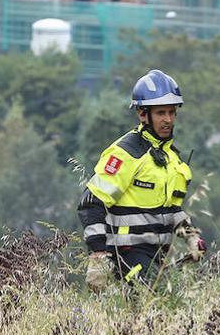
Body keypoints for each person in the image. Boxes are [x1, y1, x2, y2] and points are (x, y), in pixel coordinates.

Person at [77, 69, 206, 290]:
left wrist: (191, 237)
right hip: (127, 253)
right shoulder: (126, 153)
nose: (168, 120)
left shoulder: (172, 159)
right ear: (142, 114)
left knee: (162, 313)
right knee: (156, 306)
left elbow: (171, 210)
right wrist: (98, 256)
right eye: (161, 113)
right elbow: (91, 203)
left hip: (157, 255)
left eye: (172, 112)